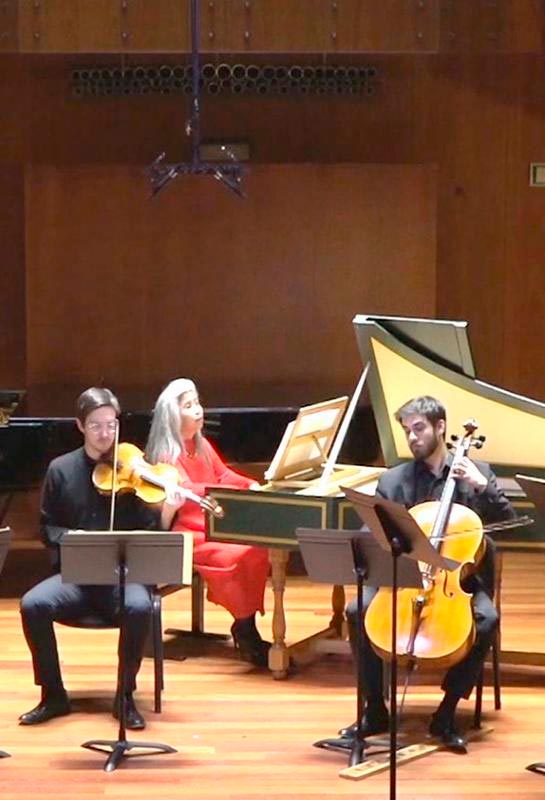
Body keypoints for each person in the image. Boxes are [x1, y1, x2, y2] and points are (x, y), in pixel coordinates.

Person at [345, 395, 515, 752]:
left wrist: (480, 486)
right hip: (402, 577)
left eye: (419, 428)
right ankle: (375, 708)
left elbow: (508, 521)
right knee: (357, 609)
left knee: (486, 620)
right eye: (407, 430)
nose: (412, 437)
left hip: (458, 580)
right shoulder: (394, 480)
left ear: (440, 427)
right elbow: (374, 532)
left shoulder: (476, 473)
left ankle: (447, 711)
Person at [19, 387, 184, 728]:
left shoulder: (134, 471)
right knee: (32, 604)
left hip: (124, 578)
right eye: (96, 425)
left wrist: (168, 509)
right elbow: (47, 529)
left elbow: (152, 530)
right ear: (80, 426)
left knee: (140, 606)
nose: (105, 433)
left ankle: (125, 696)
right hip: (78, 579)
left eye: (111, 424)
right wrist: (74, 538)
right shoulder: (61, 470)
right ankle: (53, 695)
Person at [145, 378, 271, 666]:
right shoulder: (166, 454)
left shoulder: (202, 445)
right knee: (234, 556)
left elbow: (223, 474)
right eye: (189, 406)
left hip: (213, 524)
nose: (198, 410)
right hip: (189, 530)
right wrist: (225, 492)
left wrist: (249, 485)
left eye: (197, 403)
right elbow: (189, 491)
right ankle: (246, 629)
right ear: (173, 414)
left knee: (257, 548)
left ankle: (245, 623)